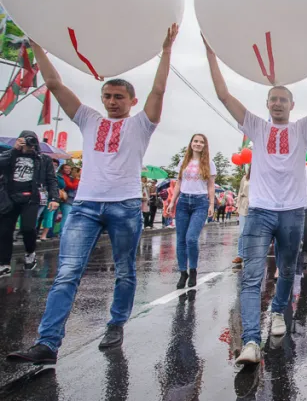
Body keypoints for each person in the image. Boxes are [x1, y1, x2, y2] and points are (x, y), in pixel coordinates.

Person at [6, 25, 178, 365]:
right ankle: (47, 344)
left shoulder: (141, 123)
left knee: (125, 270)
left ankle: (116, 323)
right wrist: (38, 43)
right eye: (108, 97)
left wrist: (167, 51)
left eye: (119, 97)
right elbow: (55, 84)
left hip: (125, 206)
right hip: (85, 206)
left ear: (131, 101)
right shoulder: (87, 118)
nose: (112, 102)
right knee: (68, 272)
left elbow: (159, 89)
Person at [204, 31, 307, 365]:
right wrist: (210, 51)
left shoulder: (300, 129)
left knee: (285, 270)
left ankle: (279, 312)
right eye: (273, 99)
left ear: (292, 105)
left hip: (293, 213)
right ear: (267, 104)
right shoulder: (256, 127)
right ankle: (251, 341)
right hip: (260, 213)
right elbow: (223, 95)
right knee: (252, 276)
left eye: (284, 99)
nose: (278, 103)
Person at [0, 131, 60, 275]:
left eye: (32, 142)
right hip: (9, 197)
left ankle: (30, 253)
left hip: (31, 198)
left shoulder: (43, 159)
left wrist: (54, 198)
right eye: (26, 141)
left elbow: (51, 179)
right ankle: (4, 263)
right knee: (4, 231)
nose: (30, 145)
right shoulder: (10, 155)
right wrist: (15, 149)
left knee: (28, 228)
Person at [166, 134, 216, 290]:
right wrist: (172, 202)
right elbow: (179, 183)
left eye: (201, 142)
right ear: (191, 143)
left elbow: (211, 185)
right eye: (196, 141)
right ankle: (183, 272)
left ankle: (193, 269)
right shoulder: (183, 162)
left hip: (200, 202)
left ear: (205, 146)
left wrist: (211, 204)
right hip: (183, 202)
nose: (198, 144)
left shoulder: (209, 163)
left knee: (191, 238)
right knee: (180, 240)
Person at [233, 167, 250, 266]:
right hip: (244, 206)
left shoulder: (260, 177)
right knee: (242, 232)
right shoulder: (245, 178)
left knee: (254, 233)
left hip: (256, 207)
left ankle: (251, 254)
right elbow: (240, 192)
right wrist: (237, 206)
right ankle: (240, 255)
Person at [55, 163, 78, 235]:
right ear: (62, 169)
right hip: (63, 199)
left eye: (69, 168)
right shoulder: (60, 176)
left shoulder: (70, 177)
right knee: (65, 215)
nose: (68, 170)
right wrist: (77, 179)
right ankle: (62, 232)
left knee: (66, 215)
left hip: (68, 199)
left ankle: (62, 232)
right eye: (66, 168)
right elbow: (71, 186)